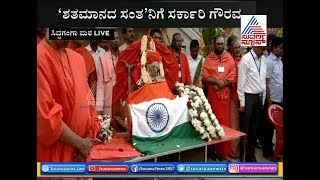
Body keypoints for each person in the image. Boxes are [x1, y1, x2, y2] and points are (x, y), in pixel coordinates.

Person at [37, 36, 100, 162]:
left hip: (82, 153)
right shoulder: (40, 57)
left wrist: (88, 140)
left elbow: (89, 103)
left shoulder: (78, 59)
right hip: (55, 153)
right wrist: (79, 143)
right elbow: (45, 117)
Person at [202, 35, 236, 160]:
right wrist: (216, 82)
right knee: (211, 123)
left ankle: (223, 153)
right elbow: (205, 77)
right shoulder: (209, 59)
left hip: (224, 99)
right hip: (213, 99)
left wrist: (222, 84)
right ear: (214, 44)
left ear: (224, 45)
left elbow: (232, 76)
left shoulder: (229, 58)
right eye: (218, 44)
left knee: (225, 125)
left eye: (222, 44)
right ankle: (211, 151)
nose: (220, 46)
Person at [237, 45, 268, 162]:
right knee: (245, 129)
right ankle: (244, 157)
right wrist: (242, 103)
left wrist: (263, 100)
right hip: (248, 97)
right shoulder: (245, 60)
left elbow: (263, 81)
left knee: (255, 129)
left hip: (259, 98)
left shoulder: (263, 59)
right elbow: (241, 84)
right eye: (261, 48)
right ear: (255, 45)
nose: (264, 51)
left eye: (264, 49)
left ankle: (251, 156)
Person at [263, 36, 283, 160]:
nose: (282, 50)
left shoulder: (280, 61)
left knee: (280, 127)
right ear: (274, 47)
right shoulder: (268, 61)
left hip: (280, 99)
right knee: (269, 129)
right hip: (272, 100)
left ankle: (279, 149)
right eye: (280, 48)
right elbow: (267, 83)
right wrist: (269, 102)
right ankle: (267, 152)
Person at [96, 31, 120, 116]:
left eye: (117, 38)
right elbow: (100, 85)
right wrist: (99, 108)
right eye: (114, 38)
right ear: (109, 41)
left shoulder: (124, 57)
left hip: (122, 97)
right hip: (109, 98)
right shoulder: (102, 59)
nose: (116, 40)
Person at [228, 38, 242, 159]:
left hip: (245, 97)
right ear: (230, 48)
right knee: (234, 125)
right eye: (235, 47)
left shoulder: (245, 59)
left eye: (239, 47)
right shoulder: (228, 60)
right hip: (232, 97)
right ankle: (234, 152)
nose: (237, 50)